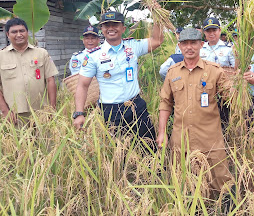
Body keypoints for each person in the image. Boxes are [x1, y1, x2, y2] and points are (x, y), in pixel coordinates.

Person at [157, 28, 232, 194]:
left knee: (221, 183)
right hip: (181, 139)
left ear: (201, 45)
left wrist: (239, 86)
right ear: (179, 46)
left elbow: (230, 98)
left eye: (193, 43)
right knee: (184, 183)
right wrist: (162, 132)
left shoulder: (214, 70)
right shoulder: (172, 72)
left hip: (210, 139)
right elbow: (165, 103)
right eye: (185, 43)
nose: (189, 47)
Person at [73, 11, 163, 145]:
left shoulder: (133, 46)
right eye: (106, 25)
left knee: (148, 147)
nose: (110, 28)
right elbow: (82, 85)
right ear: (102, 30)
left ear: (123, 28)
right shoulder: (93, 56)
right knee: (119, 154)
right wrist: (79, 113)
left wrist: (157, 15)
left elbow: (157, 40)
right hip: (111, 112)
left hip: (136, 106)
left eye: (115, 24)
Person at [0, 18, 58, 124]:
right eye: (14, 32)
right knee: (18, 140)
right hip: (15, 114)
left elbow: (50, 80)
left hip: (41, 111)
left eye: (22, 31)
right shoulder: (1, 56)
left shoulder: (42, 53)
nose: (19, 34)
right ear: (8, 34)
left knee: (44, 140)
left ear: (27, 32)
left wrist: (52, 109)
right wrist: (5, 111)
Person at [200, 17, 235, 129]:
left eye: (214, 30)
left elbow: (235, 69)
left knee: (224, 118)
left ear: (219, 31)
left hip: (223, 90)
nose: (211, 34)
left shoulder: (229, 48)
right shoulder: (200, 48)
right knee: (206, 117)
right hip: (204, 89)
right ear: (204, 33)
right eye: (208, 31)